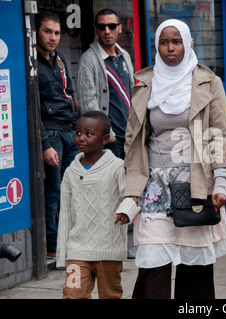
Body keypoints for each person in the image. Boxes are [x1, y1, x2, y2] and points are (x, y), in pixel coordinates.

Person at [114, 19, 226, 299]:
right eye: (164, 42)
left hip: (196, 186)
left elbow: (220, 135)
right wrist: (132, 194)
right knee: (152, 264)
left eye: (176, 42)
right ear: (157, 46)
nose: (170, 48)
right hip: (155, 188)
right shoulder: (145, 85)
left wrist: (219, 183)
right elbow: (133, 144)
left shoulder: (208, 82)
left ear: (188, 43)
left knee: (195, 270)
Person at [56, 111, 138, 299]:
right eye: (78, 133)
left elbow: (131, 195)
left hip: (108, 251)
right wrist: (64, 256)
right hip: (78, 251)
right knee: (72, 295)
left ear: (106, 139)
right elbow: (66, 216)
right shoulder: (70, 172)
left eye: (89, 134)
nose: (81, 138)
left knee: (110, 295)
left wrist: (127, 212)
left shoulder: (117, 167)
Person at [36, 12, 79, 258]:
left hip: (67, 132)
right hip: (50, 133)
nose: (53, 37)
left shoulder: (59, 58)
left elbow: (69, 95)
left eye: (56, 32)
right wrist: (44, 143)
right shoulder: (30, 61)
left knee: (71, 191)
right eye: (47, 32)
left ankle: (67, 241)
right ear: (37, 32)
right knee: (53, 192)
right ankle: (53, 246)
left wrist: (74, 126)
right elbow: (33, 106)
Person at [77, 8, 134, 159]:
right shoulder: (88, 60)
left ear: (120, 28)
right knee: (111, 182)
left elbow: (132, 93)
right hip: (109, 138)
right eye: (102, 27)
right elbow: (87, 103)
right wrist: (107, 133)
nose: (107, 31)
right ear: (96, 29)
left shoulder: (125, 56)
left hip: (129, 134)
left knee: (131, 180)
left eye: (112, 26)